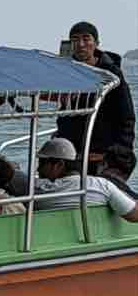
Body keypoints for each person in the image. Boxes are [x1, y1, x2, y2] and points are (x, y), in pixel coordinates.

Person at [54, 24, 135, 181]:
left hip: (104, 152)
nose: (81, 44)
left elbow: (126, 115)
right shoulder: (66, 71)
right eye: (75, 40)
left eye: (86, 38)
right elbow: (64, 109)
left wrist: (116, 152)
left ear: (96, 43)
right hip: (73, 151)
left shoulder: (110, 74)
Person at [32, 134, 138, 220]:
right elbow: (134, 215)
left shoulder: (34, 190)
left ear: (59, 164)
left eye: (42, 164)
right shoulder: (101, 186)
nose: (38, 169)